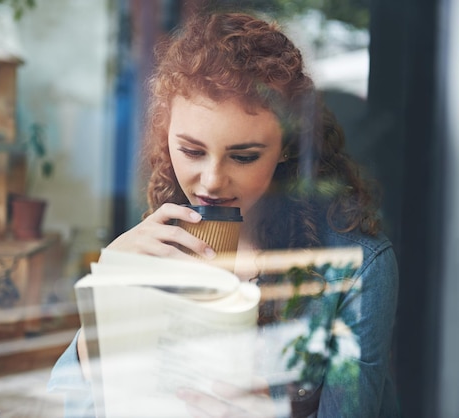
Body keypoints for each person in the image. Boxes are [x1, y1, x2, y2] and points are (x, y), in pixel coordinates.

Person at [48, 11, 400, 418]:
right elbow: (64, 406)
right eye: (192, 151)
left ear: (287, 146)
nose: (212, 181)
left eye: (244, 156)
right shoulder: (158, 241)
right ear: (166, 135)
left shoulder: (356, 268)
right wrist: (107, 296)